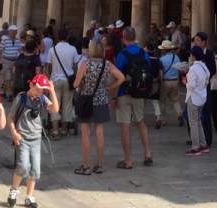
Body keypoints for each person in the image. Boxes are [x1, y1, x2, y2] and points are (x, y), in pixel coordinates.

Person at [73, 39, 124, 175]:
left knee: (85, 133)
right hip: (101, 100)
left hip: (86, 100)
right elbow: (121, 78)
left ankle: (86, 166)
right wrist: (109, 87)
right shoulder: (107, 64)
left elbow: (76, 84)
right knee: (99, 132)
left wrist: (84, 84)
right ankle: (99, 164)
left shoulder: (85, 64)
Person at [7, 74, 58, 208]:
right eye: (37, 89)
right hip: (22, 137)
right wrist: (14, 133)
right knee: (23, 165)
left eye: (42, 90)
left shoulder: (42, 98)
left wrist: (52, 91)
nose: (39, 92)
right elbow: (10, 117)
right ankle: (14, 189)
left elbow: (55, 109)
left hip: (36, 139)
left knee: (35, 169)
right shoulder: (21, 98)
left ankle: (29, 196)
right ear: (31, 85)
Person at [113, 26, 154, 169]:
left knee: (125, 125)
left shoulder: (122, 55)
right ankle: (148, 153)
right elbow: (149, 70)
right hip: (140, 92)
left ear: (123, 39)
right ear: (135, 37)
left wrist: (114, 96)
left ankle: (128, 160)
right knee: (140, 122)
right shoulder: (144, 53)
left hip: (124, 92)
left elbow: (118, 76)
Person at [46, 28, 78, 139]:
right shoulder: (73, 49)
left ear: (58, 37)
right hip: (68, 80)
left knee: (54, 104)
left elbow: (49, 66)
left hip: (55, 79)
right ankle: (64, 129)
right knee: (67, 104)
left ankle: (55, 130)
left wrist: (50, 76)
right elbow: (75, 66)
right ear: (68, 36)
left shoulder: (52, 50)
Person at [185, 46, 210, 155]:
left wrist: (184, 83)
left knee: (193, 123)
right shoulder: (204, 67)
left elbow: (191, 85)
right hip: (202, 96)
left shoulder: (193, 69)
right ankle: (203, 144)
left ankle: (195, 147)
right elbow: (207, 80)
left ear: (194, 56)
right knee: (198, 121)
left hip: (193, 97)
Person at [157, 40, 183, 128]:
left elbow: (160, 73)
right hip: (175, 81)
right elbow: (179, 70)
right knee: (175, 100)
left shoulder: (161, 59)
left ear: (164, 50)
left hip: (165, 81)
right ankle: (179, 115)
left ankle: (163, 120)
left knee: (163, 102)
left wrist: (160, 84)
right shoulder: (176, 58)